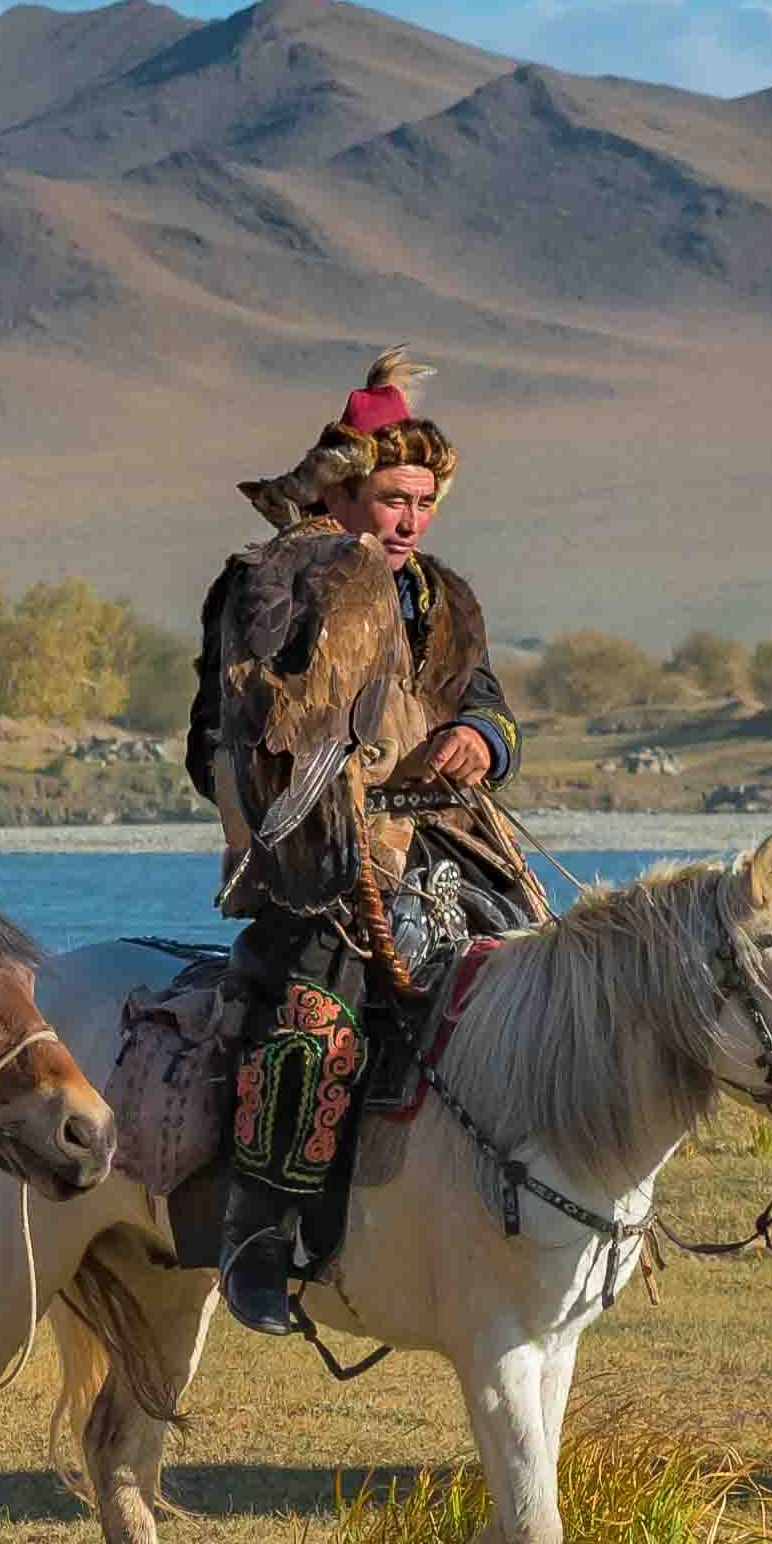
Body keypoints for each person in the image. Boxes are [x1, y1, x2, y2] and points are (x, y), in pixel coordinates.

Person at [182, 352, 528, 1334]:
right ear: (339, 489)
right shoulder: (263, 586)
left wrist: (479, 740)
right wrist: (314, 793)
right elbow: (217, 737)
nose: (409, 518)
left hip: (454, 849)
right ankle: (257, 1233)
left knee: (547, 981)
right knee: (313, 1019)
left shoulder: (445, 597)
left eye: (423, 498)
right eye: (390, 496)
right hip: (315, 863)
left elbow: (490, 704)